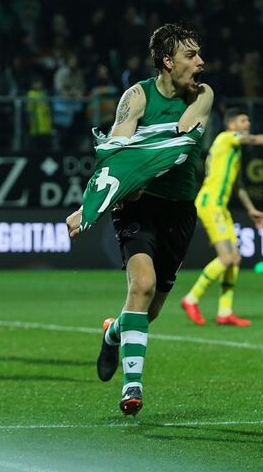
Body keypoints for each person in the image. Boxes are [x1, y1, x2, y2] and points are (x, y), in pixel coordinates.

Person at [65, 23, 211, 416]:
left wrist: (138, 155)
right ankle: (132, 387)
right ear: (167, 61)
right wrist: (92, 205)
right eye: (191, 55)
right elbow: (117, 156)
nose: (200, 62)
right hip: (138, 205)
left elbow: (175, 147)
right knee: (141, 284)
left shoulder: (203, 95)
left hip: (179, 211)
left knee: (149, 311)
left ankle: (113, 332)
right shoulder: (137, 96)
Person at [180, 108, 263, 327]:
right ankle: (191, 298)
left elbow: (238, 185)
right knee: (227, 258)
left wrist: (251, 209)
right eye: (243, 120)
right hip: (210, 204)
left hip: (220, 207)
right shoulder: (227, 138)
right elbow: (259, 140)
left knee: (235, 259)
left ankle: (225, 311)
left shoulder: (233, 151)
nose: (247, 123)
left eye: (248, 120)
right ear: (232, 125)